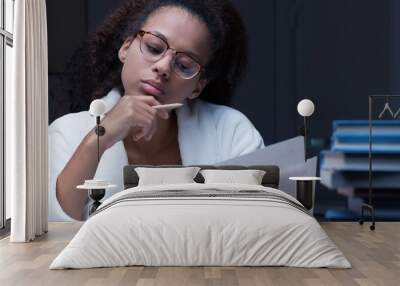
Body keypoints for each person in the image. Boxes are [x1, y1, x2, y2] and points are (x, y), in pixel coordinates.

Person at [49, 0, 265, 221]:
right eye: (154, 48)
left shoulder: (230, 132)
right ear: (125, 48)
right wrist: (100, 137)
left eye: (183, 65)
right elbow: (60, 223)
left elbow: (254, 221)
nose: (163, 67)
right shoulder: (67, 132)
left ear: (197, 86)